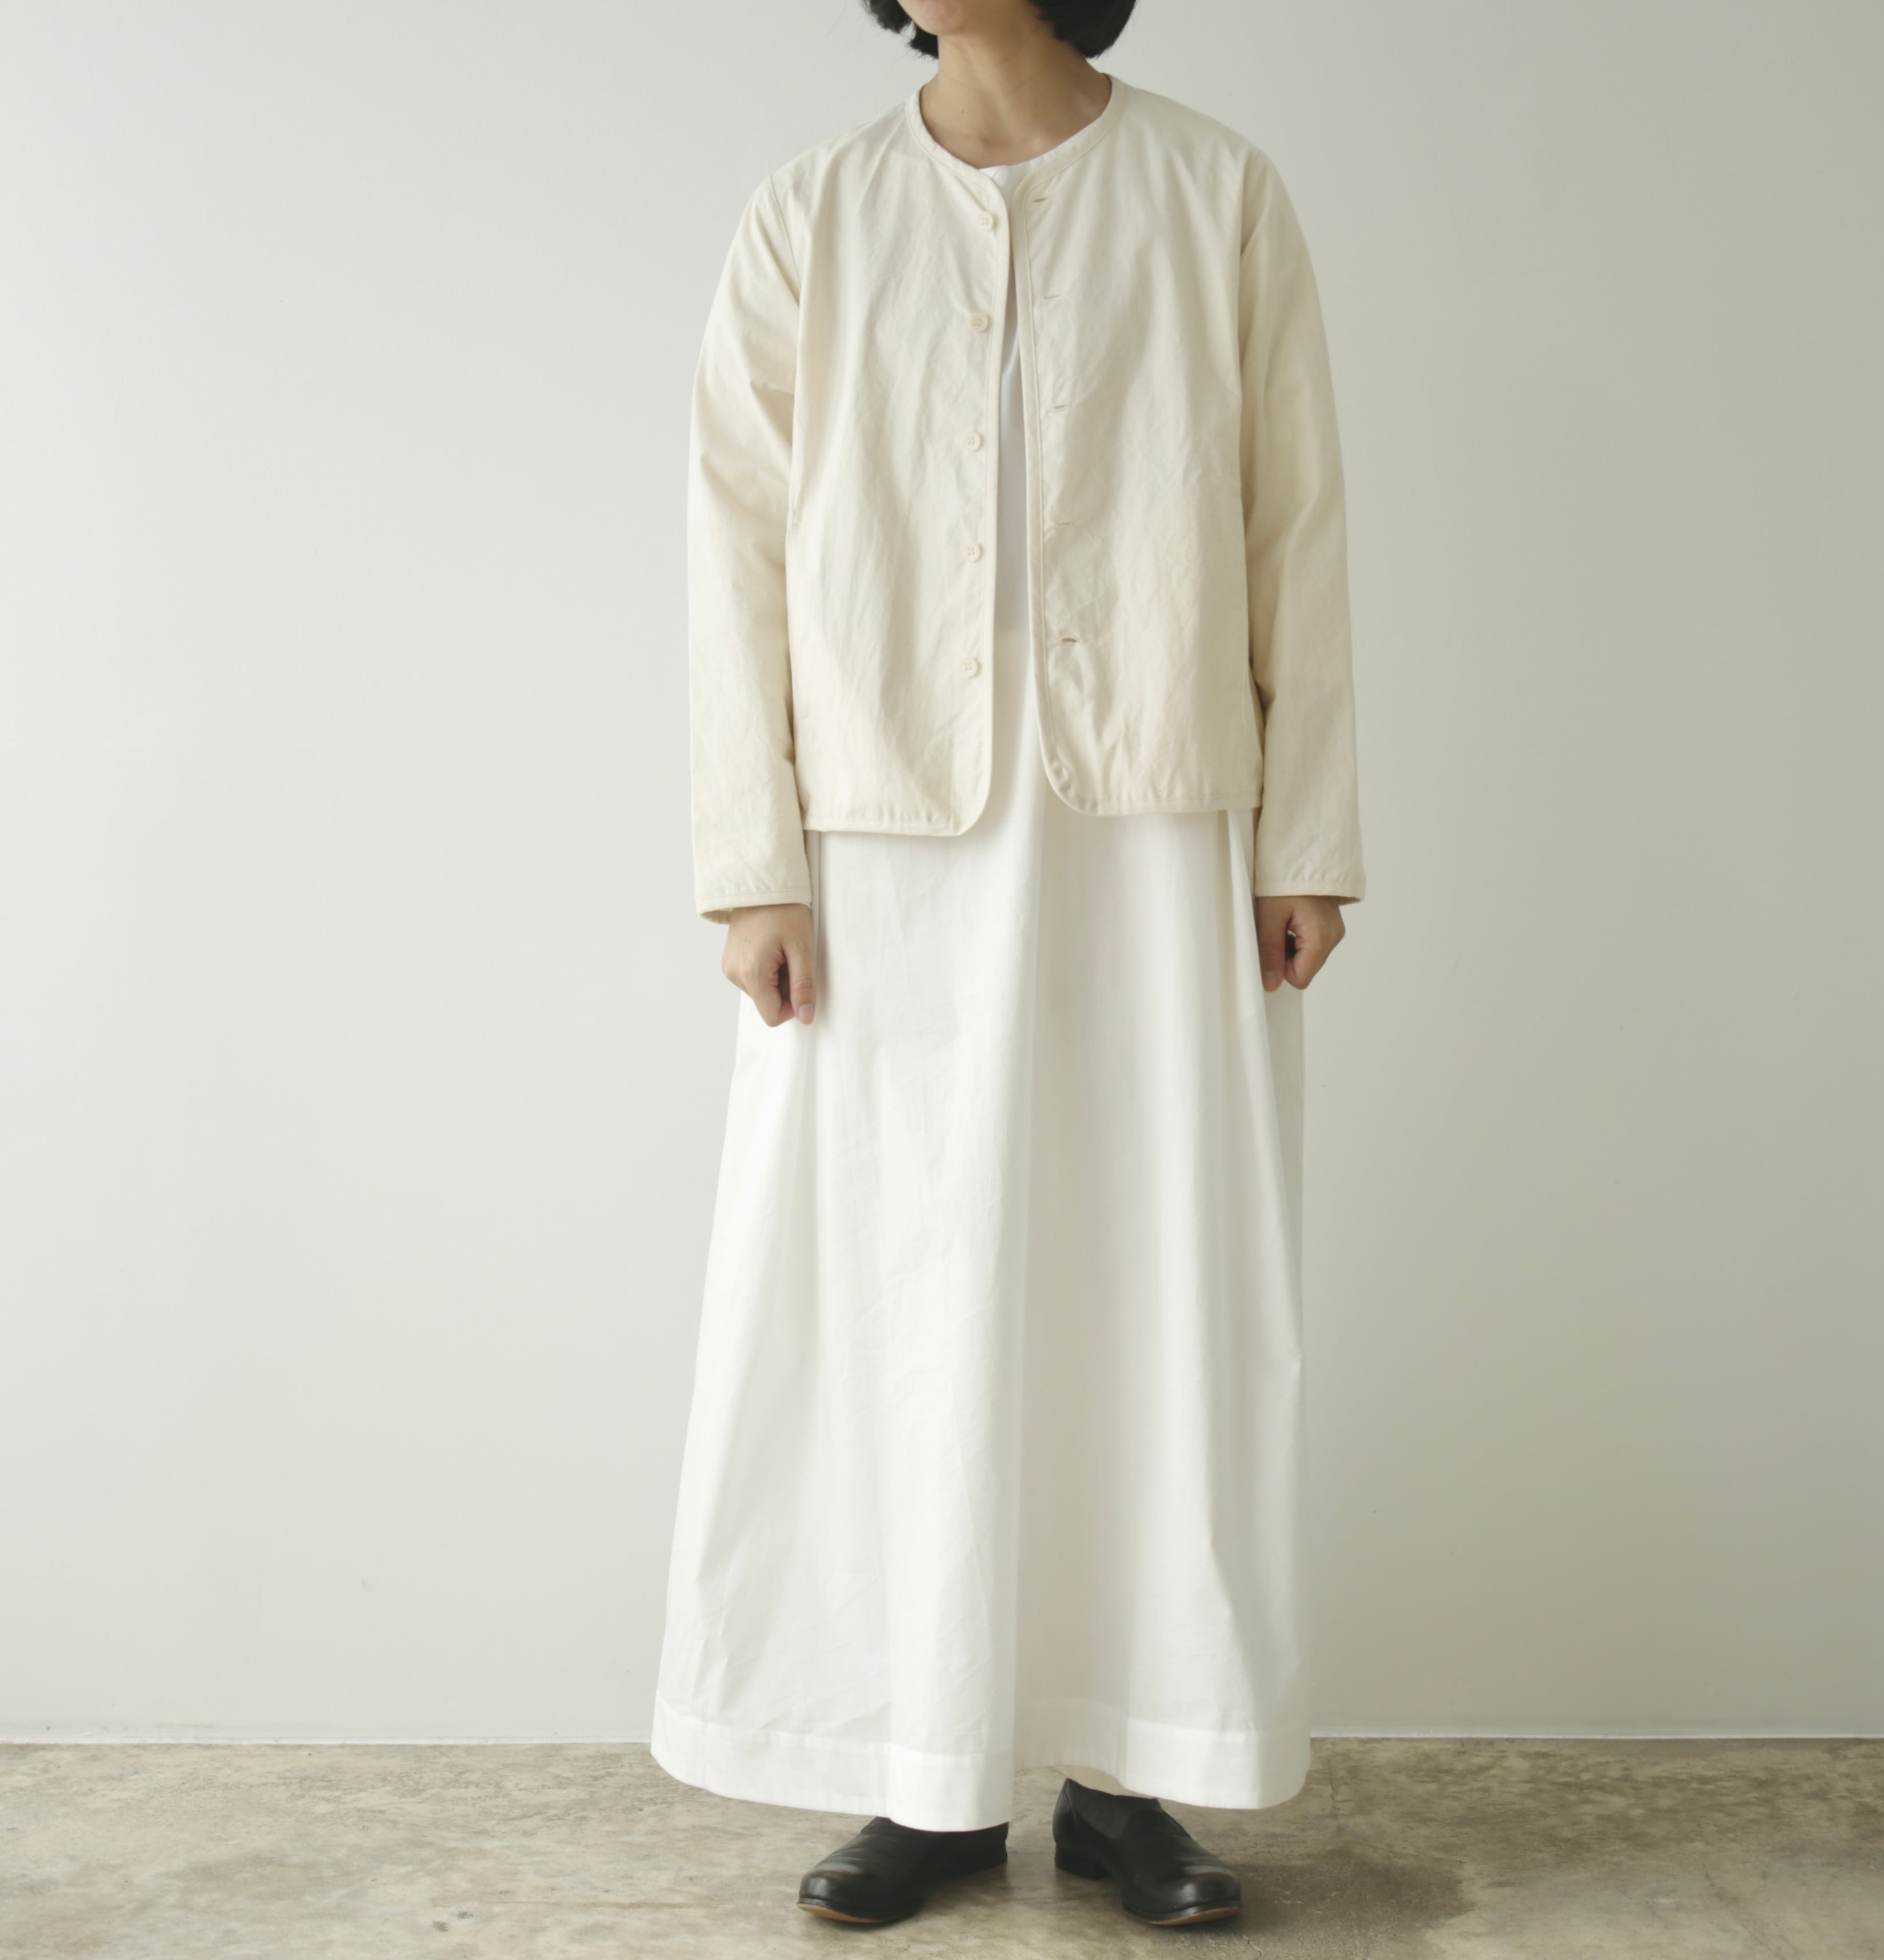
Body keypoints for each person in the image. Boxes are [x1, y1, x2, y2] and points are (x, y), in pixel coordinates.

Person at [655, 0, 1365, 1929]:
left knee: (1157, 1282)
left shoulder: (1216, 192)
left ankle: (1137, 1780)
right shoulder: (812, 213)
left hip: (1160, 825)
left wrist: (1308, 835)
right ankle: (932, 1769)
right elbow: (732, 544)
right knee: (910, 1293)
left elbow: (1295, 516)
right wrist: (752, 865)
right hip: (884, 843)